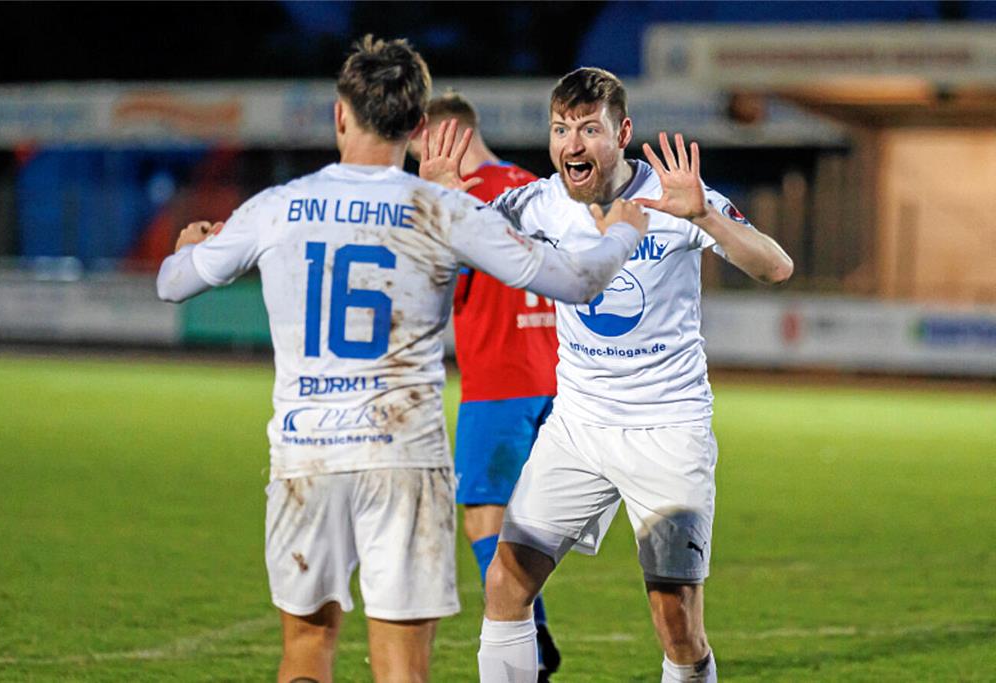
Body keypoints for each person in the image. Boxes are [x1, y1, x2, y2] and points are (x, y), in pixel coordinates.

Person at [155, 40, 649, 683]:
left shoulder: (276, 207)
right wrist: (623, 231)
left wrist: (186, 246)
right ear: (419, 125)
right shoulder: (441, 208)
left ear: (340, 115)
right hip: (402, 458)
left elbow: (173, 284)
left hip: (307, 456)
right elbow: (577, 281)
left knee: (305, 651)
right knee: (402, 668)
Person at [461, 68, 794, 682]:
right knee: (506, 580)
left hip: (667, 430)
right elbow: (458, 238)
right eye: (562, 129)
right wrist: (439, 198)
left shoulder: (674, 199)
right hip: (578, 427)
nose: (572, 145)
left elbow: (776, 266)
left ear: (623, 133)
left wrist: (706, 218)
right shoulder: (539, 202)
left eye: (589, 129)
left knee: (677, 624)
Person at [409, 93, 562, 680]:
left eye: (423, 143)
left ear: (447, 137)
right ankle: (531, 628)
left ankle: (531, 630)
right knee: (540, 521)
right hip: (556, 378)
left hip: (497, 382)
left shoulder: (462, 199)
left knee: (483, 516)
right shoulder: (537, 187)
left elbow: (431, 288)